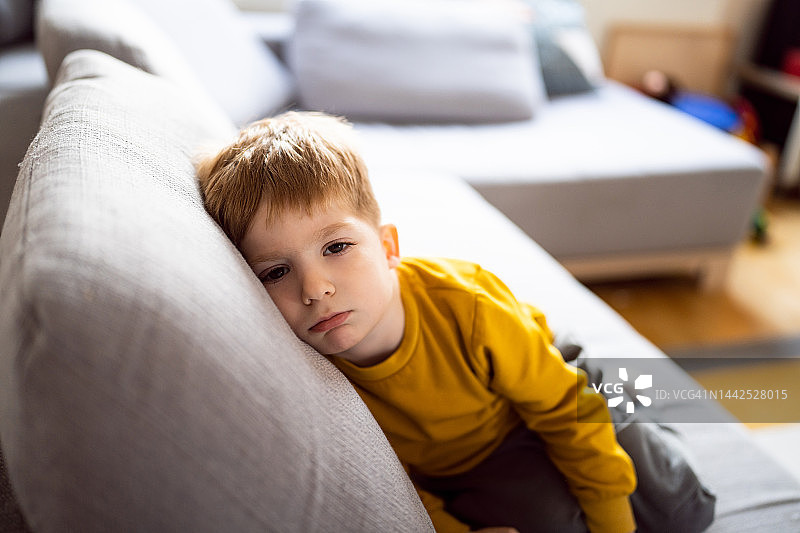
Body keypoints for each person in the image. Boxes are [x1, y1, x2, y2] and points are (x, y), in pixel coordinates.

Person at [196, 111, 637, 533]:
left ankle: (598, 377)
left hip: (531, 399)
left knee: (682, 507)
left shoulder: (469, 306)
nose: (314, 289)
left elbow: (562, 409)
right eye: (276, 272)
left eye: (336, 247)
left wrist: (612, 514)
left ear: (388, 247)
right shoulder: (310, 372)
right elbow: (394, 484)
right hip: (470, 460)